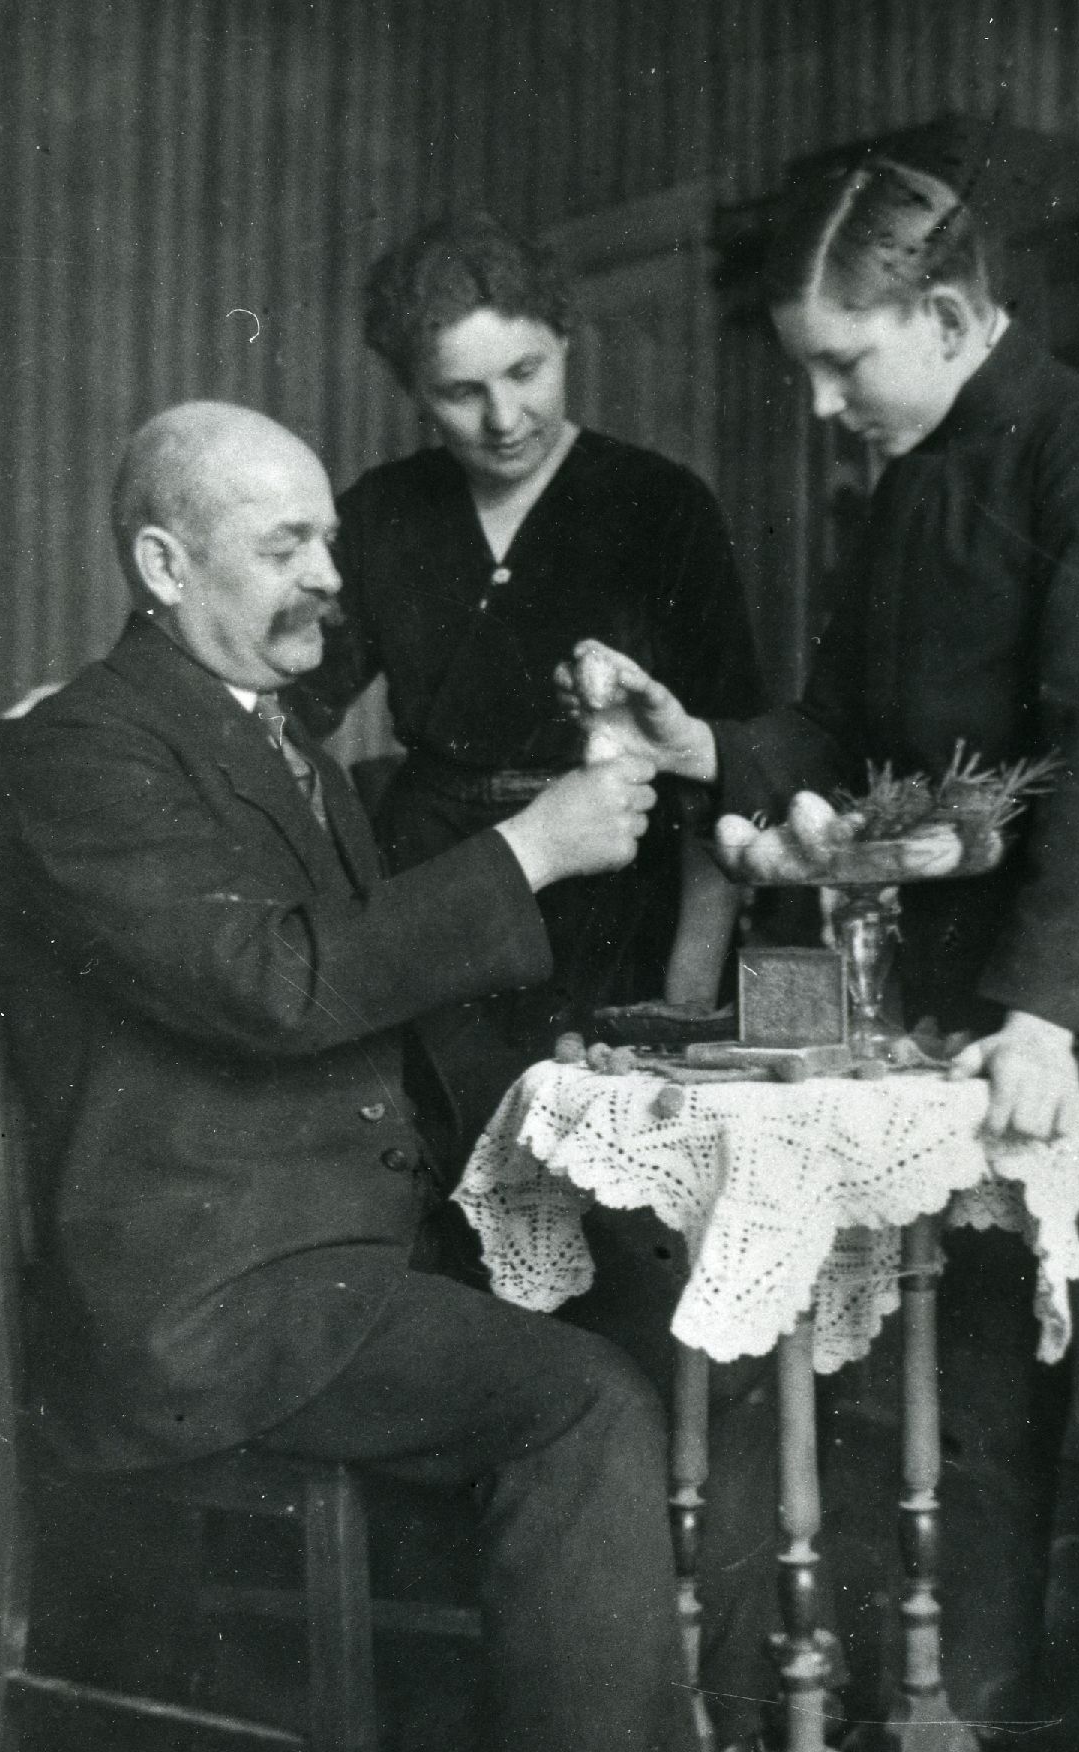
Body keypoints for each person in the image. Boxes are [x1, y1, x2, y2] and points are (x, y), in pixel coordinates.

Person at [561, 157, 1079, 1752]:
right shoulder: (903, 484)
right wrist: (707, 736)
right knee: (981, 1413)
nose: (816, 404)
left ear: (950, 320)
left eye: (840, 361)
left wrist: (1040, 1010)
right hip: (983, 1016)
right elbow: (858, 736)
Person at [0, 399, 759, 1752]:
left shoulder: (274, 741)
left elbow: (371, 978)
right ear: (159, 560)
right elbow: (278, 987)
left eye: (330, 537)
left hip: (318, 1256)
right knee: (580, 1408)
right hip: (210, 1301)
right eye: (285, 546)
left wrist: (568, 846)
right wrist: (533, 853)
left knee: (649, 1317)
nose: (333, 576)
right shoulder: (82, 753)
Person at [289, 211, 764, 1155]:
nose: (503, 419)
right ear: (412, 391)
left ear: (564, 342)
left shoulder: (662, 506)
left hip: (617, 904)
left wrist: (683, 993)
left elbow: (728, 764)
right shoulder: (383, 513)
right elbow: (292, 702)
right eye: (460, 392)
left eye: (525, 373)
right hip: (436, 896)